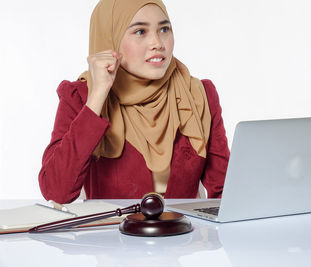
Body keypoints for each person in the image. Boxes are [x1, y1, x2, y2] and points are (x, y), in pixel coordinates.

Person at [38, 0, 230, 204]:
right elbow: (56, 191)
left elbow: (226, 192)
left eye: (164, 29)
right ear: (110, 40)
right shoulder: (81, 97)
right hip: (112, 234)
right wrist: (98, 95)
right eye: (140, 32)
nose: (158, 43)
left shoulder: (199, 95)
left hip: (184, 233)